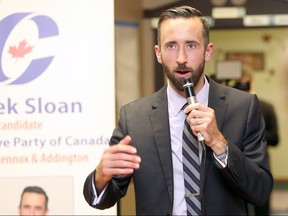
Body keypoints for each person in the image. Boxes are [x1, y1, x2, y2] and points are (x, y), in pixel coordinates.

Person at [83, 5, 273, 215]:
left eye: (191, 45)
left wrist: (218, 142)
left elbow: (260, 191)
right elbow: (102, 199)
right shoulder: (134, 118)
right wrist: (101, 176)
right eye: (171, 46)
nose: (181, 58)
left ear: (207, 51)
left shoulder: (243, 108)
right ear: (158, 53)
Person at [234, 76, 279, 216]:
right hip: (236, 161)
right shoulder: (231, 108)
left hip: (260, 160)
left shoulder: (265, 107)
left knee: (262, 202)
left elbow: (276, 139)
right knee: (239, 204)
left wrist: (255, 131)